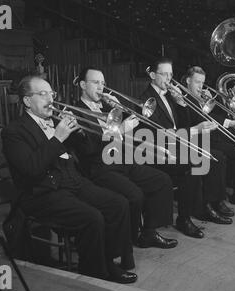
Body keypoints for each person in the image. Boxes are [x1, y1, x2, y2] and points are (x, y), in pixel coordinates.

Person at [1, 75, 137, 283]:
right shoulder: (14, 131)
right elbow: (31, 169)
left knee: (118, 204)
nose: (50, 99)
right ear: (27, 101)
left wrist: (79, 132)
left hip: (73, 181)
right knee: (92, 217)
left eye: (51, 93)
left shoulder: (56, 121)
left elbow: (90, 150)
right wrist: (57, 137)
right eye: (43, 94)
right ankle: (95, 274)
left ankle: (108, 260)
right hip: (42, 191)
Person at [70, 66, 178, 250]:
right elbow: (87, 149)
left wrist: (120, 106)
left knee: (161, 180)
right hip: (99, 167)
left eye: (103, 83)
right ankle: (128, 237)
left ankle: (148, 232)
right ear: (82, 85)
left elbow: (136, 123)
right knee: (135, 195)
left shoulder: (107, 107)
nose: (101, 88)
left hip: (123, 160)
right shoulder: (74, 111)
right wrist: (117, 132)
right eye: (95, 83)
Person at [139, 57, 233, 240]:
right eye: (164, 74)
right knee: (194, 162)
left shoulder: (169, 96)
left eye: (171, 74)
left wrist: (181, 104)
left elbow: (181, 125)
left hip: (175, 146)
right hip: (157, 151)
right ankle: (184, 218)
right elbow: (159, 134)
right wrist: (194, 130)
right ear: (152, 75)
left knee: (212, 158)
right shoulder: (147, 100)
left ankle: (204, 206)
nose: (168, 78)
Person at [184, 66, 235, 207]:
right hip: (196, 139)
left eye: (202, 82)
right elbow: (199, 118)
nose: (201, 86)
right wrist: (230, 122)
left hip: (210, 135)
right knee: (221, 155)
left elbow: (209, 115)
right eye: (197, 82)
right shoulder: (184, 98)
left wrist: (231, 121)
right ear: (188, 81)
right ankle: (216, 200)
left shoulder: (197, 97)